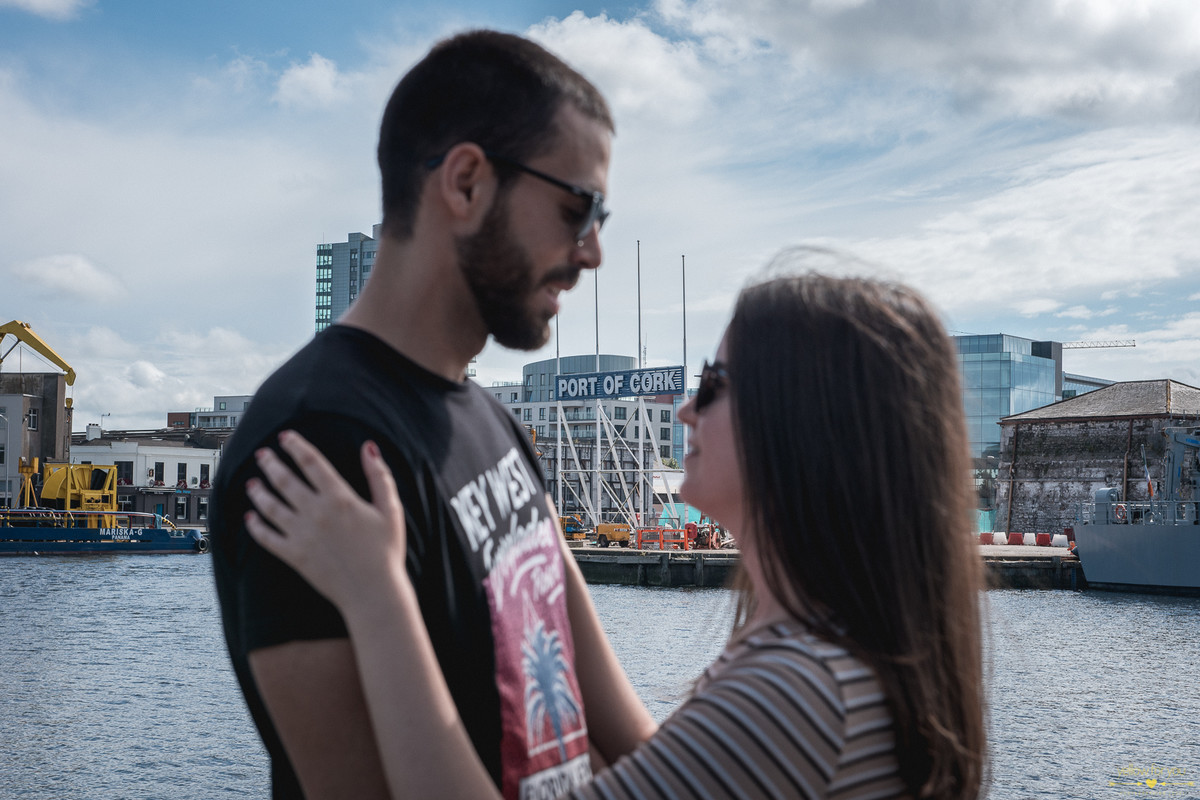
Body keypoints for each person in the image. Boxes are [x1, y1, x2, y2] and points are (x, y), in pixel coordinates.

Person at [243, 266, 988, 799]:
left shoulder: (801, 692)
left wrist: (379, 598)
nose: (687, 411)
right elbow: (657, 763)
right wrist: (539, 539)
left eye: (715, 384)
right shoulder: (830, 654)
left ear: (804, 429)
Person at [210, 30, 657, 799]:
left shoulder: (498, 425)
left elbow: (627, 742)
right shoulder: (311, 448)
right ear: (466, 183)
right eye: (576, 210)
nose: (591, 255)